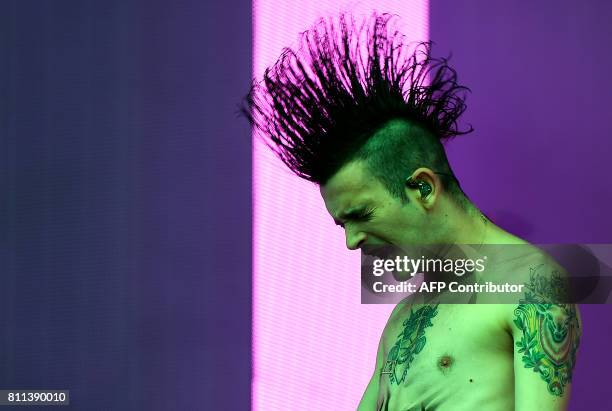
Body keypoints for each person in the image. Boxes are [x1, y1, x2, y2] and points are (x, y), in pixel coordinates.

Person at [242, 12, 581, 410]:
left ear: (423, 187)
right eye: (342, 224)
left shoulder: (533, 285)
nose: (352, 242)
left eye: (361, 215)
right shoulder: (403, 317)